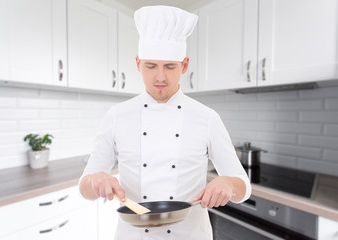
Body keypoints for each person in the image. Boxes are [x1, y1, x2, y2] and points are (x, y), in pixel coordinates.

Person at [79, 5, 251, 240]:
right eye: (151, 66)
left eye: (170, 66)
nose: (160, 77)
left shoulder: (207, 118)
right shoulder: (117, 116)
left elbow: (243, 185)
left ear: (185, 65)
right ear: (138, 64)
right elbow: (84, 186)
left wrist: (229, 184)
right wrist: (95, 179)